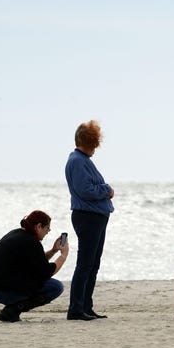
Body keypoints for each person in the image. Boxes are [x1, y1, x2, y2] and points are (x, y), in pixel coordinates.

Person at [65, 119, 114, 321]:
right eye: (94, 143)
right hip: (88, 217)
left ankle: (85, 306)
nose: (96, 148)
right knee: (85, 264)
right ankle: (76, 308)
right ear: (89, 142)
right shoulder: (77, 161)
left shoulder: (82, 160)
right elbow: (85, 190)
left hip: (95, 216)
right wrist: (107, 190)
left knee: (92, 263)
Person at [0, 210, 68, 322]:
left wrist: (53, 251)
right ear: (39, 226)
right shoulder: (31, 242)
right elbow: (46, 272)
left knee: (38, 281)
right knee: (55, 287)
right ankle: (13, 310)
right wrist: (64, 255)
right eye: (47, 228)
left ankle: (12, 310)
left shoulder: (17, 234)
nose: (48, 232)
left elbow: (37, 264)